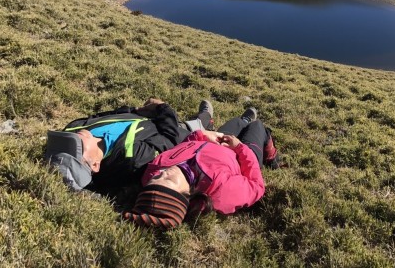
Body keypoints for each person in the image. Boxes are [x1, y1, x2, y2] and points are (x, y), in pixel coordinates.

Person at [122, 106, 280, 229]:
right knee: (258, 126)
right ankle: (272, 157)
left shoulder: (153, 171)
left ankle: (244, 121)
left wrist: (200, 136)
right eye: (168, 179)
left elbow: (184, 146)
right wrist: (240, 147)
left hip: (217, 141)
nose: (163, 173)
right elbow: (256, 186)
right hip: (243, 156)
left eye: (156, 178)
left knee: (237, 122)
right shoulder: (220, 193)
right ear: (186, 194)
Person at [44, 98, 215, 194]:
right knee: (196, 125)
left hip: (145, 117)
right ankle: (206, 118)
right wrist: (163, 108)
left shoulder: (73, 127)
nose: (73, 137)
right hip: (177, 131)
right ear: (95, 165)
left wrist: (136, 110)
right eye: (77, 146)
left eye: (65, 140)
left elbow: (103, 116)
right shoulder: (132, 160)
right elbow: (170, 138)